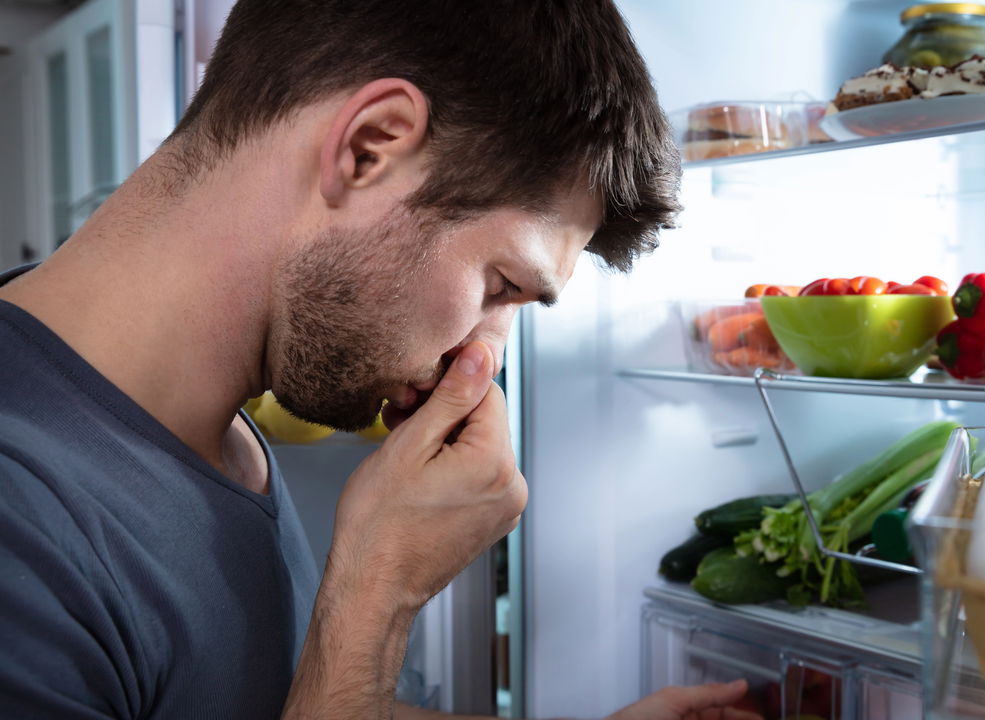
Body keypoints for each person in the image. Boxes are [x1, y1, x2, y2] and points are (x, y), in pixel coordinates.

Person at [0, 1, 759, 718]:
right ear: (369, 148)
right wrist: (379, 591)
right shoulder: (23, 520)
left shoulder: (215, 427)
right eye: (500, 284)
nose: (483, 357)